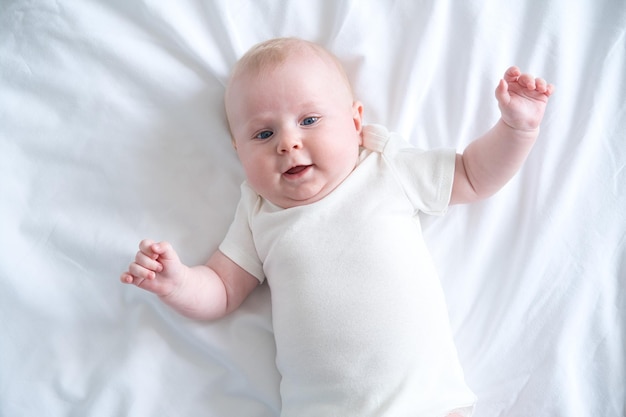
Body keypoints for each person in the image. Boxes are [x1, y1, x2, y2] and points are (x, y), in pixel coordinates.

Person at [121, 38, 554, 417]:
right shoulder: (258, 210)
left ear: (354, 121)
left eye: (309, 120)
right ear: (238, 151)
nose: (288, 143)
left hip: (427, 405)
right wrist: (178, 284)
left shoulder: (385, 167)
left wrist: (515, 129)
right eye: (263, 134)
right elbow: (221, 287)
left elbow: (473, 176)